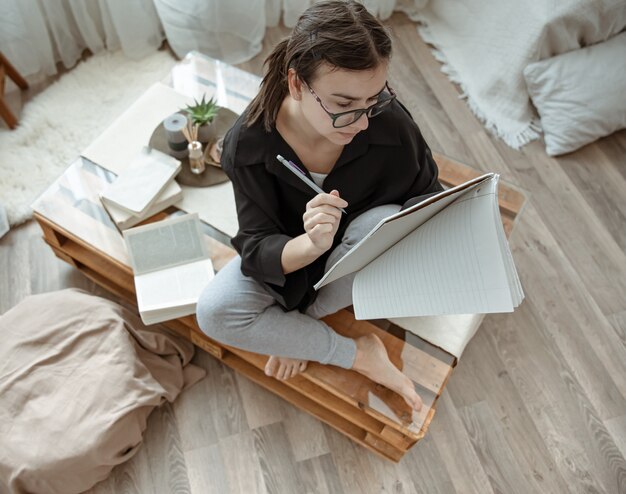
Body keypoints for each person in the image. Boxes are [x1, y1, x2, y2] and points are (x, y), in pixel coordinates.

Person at [196, 0, 443, 413]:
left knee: (382, 221)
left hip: (353, 258)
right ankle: (358, 353)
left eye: (373, 100)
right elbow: (257, 250)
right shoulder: (247, 146)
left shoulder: (388, 123)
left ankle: (297, 332)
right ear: (296, 84)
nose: (362, 122)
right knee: (214, 312)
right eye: (343, 105)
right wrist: (310, 244)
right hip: (294, 259)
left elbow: (426, 193)